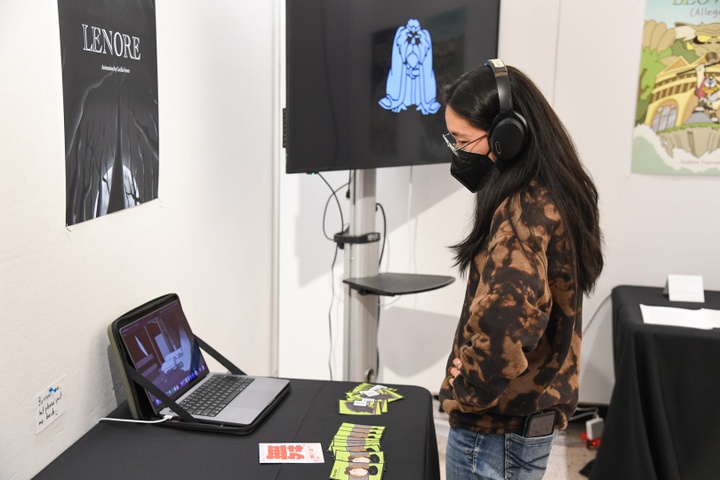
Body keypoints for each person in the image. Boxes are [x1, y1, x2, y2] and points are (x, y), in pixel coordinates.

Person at [438, 59, 604, 480]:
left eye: (461, 140)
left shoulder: (521, 215)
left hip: (495, 429)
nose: (457, 153)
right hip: (531, 417)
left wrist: (468, 387)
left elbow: (506, 318)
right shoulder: (554, 191)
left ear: (506, 137)